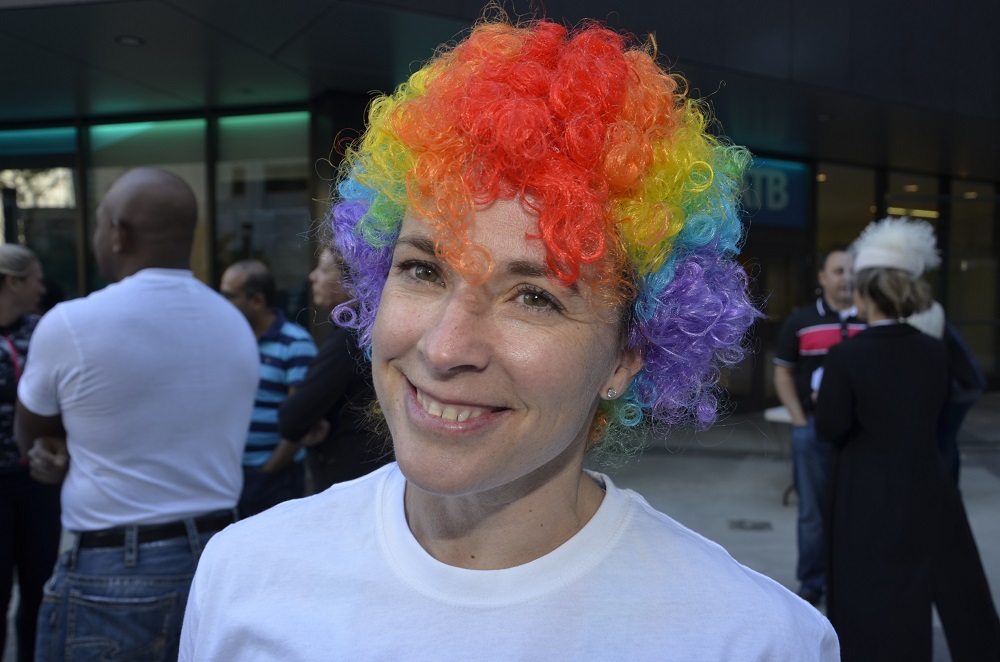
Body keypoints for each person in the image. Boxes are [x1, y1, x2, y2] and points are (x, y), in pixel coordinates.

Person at [181, 18, 838, 659]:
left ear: (628, 356)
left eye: (535, 297)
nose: (444, 349)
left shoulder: (752, 640)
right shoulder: (242, 576)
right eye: (423, 269)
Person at [15, 167, 260, 661]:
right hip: (216, 561)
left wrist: (57, 451)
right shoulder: (234, 324)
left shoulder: (72, 324)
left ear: (118, 233)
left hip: (113, 572)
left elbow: (31, 435)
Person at [816, 217, 1000, 661]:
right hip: (925, 482)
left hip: (864, 490)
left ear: (863, 292)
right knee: (917, 583)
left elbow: (830, 428)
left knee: (867, 591)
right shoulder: (935, 351)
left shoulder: (846, 356)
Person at [772, 248, 864, 605]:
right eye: (839, 271)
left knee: (857, 509)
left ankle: (850, 580)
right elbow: (783, 372)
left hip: (860, 434)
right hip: (812, 430)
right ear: (823, 278)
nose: (847, 277)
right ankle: (812, 583)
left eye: (852, 271)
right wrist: (798, 420)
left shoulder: (870, 320)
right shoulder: (802, 321)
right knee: (812, 514)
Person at [277, 247, 391, 494]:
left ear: (353, 284)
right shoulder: (363, 331)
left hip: (350, 482)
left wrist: (308, 420)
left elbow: (292, 419)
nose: (313, 277)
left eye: (324, 269)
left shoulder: (349, 339)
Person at [220, 259, 317, 516]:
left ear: (257, 301)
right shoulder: (225, 340)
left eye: (229, 296)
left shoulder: (295, 343)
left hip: (274, 479)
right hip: (226, 477)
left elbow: (302, 419)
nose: (222, 304)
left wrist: (270, 469)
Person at [0, 245, 57, 662]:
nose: (42, 287)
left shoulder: (45, 330)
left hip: (38, 481)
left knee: (40, 585)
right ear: (13, 282)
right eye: (35, 278)